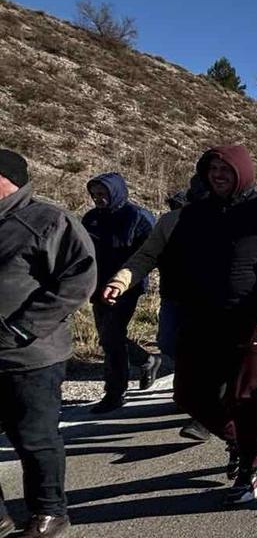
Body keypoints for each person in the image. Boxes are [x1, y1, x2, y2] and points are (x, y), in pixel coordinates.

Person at [161, 145, 257, 505]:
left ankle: (252, 468)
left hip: (253, 322)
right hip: (203, 319)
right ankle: (236, 439)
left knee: (246, 395)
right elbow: (177, 260)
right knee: (187, 393)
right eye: (213, 170)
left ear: (243, 173)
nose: (218, 176)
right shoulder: (196, 213)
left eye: (226, 170)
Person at [0, 151, 95, 538]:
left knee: (34, 439)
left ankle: (49, 514)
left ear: (8, 180)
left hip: (31, 355)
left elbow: (79, 278)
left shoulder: (48, 219)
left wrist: (24, 327)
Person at [102, 177, 213, 441]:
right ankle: (190, 395)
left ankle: (205, 416)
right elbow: (146, 255)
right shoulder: (170, 222)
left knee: (207, 356)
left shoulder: (233, 220)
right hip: (175, 298)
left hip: (215, 302)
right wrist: (121, 281)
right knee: (169, 343)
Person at [82, 172, 161, 414]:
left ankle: (115, 392)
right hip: (97, 285)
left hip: (126, 286)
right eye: (95, 194)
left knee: (112, 336)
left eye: (103, 193)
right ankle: (146, 360)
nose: (99, 198)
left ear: (115, 192)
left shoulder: (137, 217)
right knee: (107, 336)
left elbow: (151, 253)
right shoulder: (91, 219)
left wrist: (125, 279)